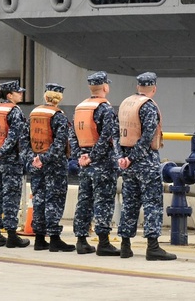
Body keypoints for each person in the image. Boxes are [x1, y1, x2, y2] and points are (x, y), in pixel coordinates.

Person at [117, 72, 177, 261]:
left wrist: (124, 158)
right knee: (152, 203)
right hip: (146, 162)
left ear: (138, 86)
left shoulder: (126, 104)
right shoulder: (148, 106)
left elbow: (117, 133)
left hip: (128, 163)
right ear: (154, 88)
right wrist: (133, 157)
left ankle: (125, 246)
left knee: (129, 203)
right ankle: (153, 247)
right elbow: (148, 136)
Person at [71, 71, 121, 256]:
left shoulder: (80, 108)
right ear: (105, 87)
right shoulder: (105, 109)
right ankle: (103, 242)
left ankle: (81, 241)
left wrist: (80, 156)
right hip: (102, 164)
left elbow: (73, 134)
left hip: (84, 163)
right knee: (104, 201)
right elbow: (107, 135)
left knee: (84, 200)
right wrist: (93, 156)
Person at [29, 84, 75, 252]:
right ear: (59, 98)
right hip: (54, 165)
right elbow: (60, 143)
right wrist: (46, 158)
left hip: (36, 163)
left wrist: (34, 159)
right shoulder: (58, 116)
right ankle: (54, 239)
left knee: (39, 199)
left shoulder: (34, 114)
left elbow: (26, 139)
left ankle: (39, 239)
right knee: (54, 200)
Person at [0, 81, 30, 248]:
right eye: (18, 92)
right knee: (11, 197)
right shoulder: (13, 111)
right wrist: (1, 153)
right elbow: (13, 137)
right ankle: (11, 235)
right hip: (10, 160)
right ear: (9, 95)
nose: (21, 94)